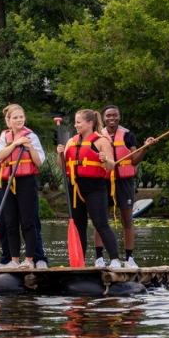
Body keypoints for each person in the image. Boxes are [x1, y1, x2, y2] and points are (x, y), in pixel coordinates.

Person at [57, 109, 122, 268]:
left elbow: (111, 166)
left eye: (78, 122)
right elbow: (62, 166)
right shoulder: (72, 141)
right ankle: (80, 263)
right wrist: (60, 154)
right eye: (75, 122)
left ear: (90, 123)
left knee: (100, 224)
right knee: (79, 227)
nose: (75, 125)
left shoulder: (101, 141)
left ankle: (115, 260)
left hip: (95, 187)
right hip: (75, 187)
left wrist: (105, 159)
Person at [0, 104, 48, 269]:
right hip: (7, 182)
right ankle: (14, 260)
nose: (19, 120)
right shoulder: (5, 136)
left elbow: (39, 162)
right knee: (10, 223)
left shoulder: (32, 136)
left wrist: (29, 146)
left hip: (26, 182)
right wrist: (15, 144)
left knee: (28, 222)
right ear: (9, 120)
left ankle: (29, 260)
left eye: (21, 117)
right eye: (15, 117)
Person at [101, 106, 155, 268]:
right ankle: (99, 257)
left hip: (125, 181)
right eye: (108, 116)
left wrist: (144, 147)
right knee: (102, 219)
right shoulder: (98, 136)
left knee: (127, 220)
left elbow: (134, 160)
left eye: (115, 115)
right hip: (104, 181)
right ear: (103, 118)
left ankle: (129, 258)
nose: (112, 118)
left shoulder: (128, 135)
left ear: (119, 117)